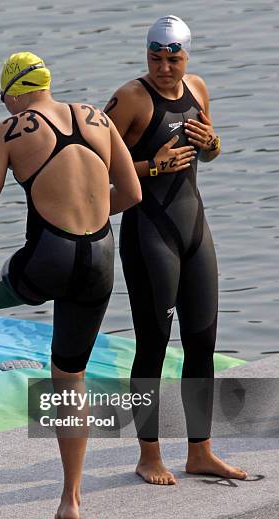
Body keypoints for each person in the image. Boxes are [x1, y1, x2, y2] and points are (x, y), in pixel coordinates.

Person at [0, 51, 141, 519]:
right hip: (100, 257)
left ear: (14, 93)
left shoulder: (6, 133)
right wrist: (92, 216)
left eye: (4, 99)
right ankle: (71, 500)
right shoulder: (98, 117)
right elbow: (133, 193)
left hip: (45, 258)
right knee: (68, 377)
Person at [105, 16, 247, 485]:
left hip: (194, 231)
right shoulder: (130, 99)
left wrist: (214, 145)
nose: (164, 68)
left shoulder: (198, 88)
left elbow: (207, 153)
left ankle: (200, 451)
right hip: (149, 234)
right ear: (146, 55)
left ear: (187, 56)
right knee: (153, 343)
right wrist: (151, 166)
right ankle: (149, 455)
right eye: (156, 58)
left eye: (173, 58)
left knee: (202, 340)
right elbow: (95, 170)